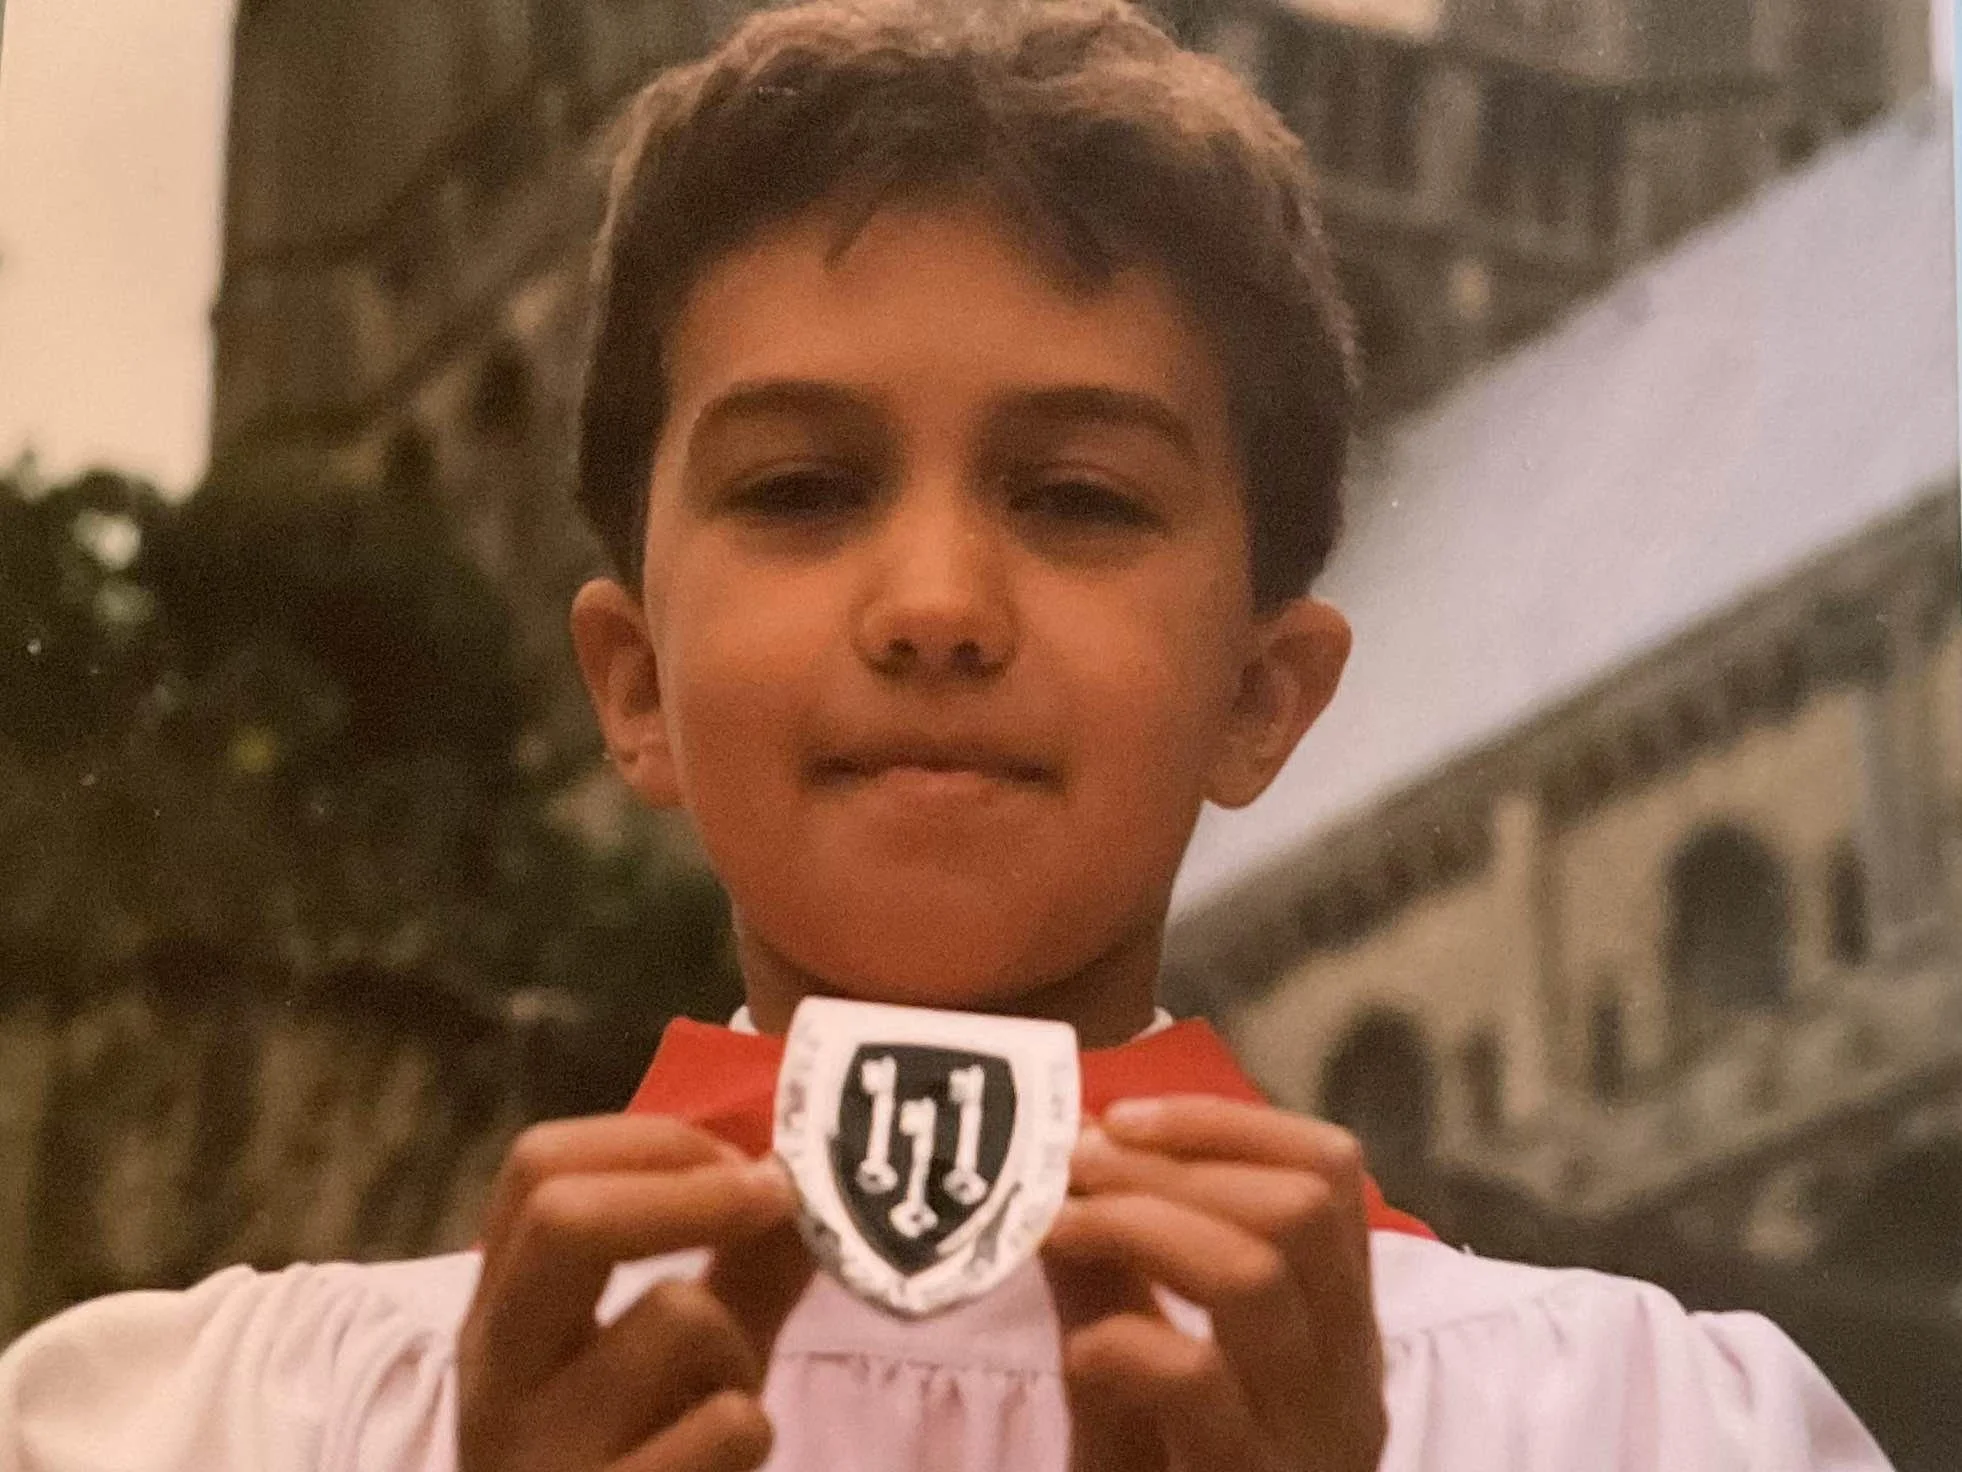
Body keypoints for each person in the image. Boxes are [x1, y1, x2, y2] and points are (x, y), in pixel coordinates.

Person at [0, 2, 1894, 1469]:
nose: (934, 602)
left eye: (1076, 496)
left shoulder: (1620, 1420)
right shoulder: (243, 1420)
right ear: (633, 686)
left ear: (1263, 696)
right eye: (803, 485)